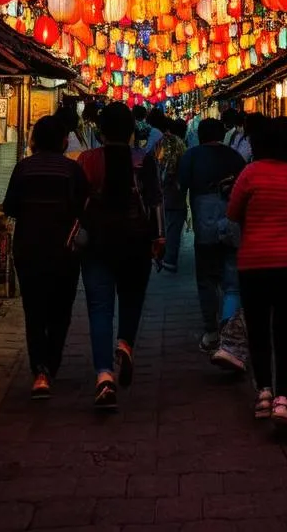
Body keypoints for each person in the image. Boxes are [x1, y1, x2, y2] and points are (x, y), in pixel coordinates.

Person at [227, 116, 287, 432]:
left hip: (253, 264)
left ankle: (264, 393)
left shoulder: (250, 173)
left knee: (257, 329)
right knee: (285, 332)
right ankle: (283, 400)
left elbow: (232, 212)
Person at [78, 102, 165, 410]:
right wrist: (159, 237)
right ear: (131, 131)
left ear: (100, 131)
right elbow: (155, 200)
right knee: (131, 298)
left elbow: (78, 201)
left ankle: (104, 376)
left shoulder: (87, 160)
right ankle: (125, 342)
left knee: (99, 308)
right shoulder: (144, 159)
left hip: (97, 242)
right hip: (136, 240)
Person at [2, 115, 89, 400]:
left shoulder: (23, 168)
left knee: (34, 310)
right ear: (64, 141)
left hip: (28, 249)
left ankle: (40, 371)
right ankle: (51, 364)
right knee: (61, 311)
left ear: (35, 140)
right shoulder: (72, 170)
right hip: (64, 251)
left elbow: (10, 207)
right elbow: (83, 208)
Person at [178, 118, 246, 358]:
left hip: (204, 226)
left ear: (200, 135)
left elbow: (181, 188)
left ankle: (211, 333)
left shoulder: (192, 156)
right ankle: (229, 334)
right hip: (232, 224)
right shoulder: (235, 157)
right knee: (231, 281)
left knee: (206, 280)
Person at [155, 117, 188, 273]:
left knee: (168, 225)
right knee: (174, 227)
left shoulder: (165, 144)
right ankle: (169, 258)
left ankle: (165, 255)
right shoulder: (179, 145)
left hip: (166, 191)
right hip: (176, 191)